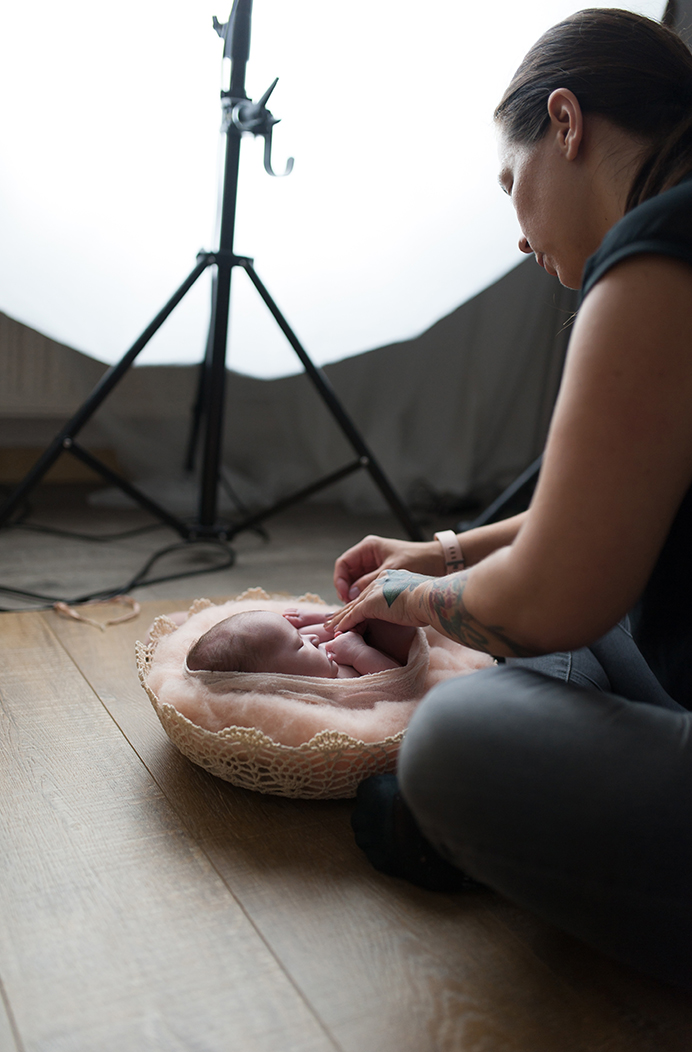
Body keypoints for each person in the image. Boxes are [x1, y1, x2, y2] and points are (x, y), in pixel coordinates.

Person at [325, 9, 692, 988]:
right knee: (566, 638)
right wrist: (436, 554)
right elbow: (606, 510)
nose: (516, 229)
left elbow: (557, 593)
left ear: (565, 122)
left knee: (450, 741)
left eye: (509, 183)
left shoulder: (661, 247)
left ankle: (515, 832)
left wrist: (394, 601)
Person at [186, 609, 416, 679]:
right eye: (300, 645)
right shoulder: (326, 689)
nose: (312, 640)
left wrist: (315, 619)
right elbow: (398, 681)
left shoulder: (308, 660)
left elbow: (324, 632)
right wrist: (358, 653)